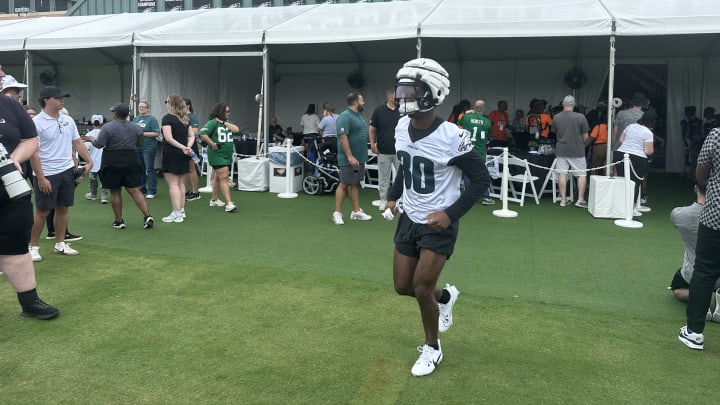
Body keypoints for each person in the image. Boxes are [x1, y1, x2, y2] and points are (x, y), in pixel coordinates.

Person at [387, 58, 491, 377]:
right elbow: (407, 164)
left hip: (438, 221)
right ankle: (445, 297)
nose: (402, 96)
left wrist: (450, 213)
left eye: (410, 90)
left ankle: (432, 347)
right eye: (400, 89)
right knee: (403, 286)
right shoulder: (402, 126)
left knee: (421, 287)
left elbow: (482, 179)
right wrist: (393, 195)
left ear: (432, 94)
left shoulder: (451, 135)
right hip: (410, 216)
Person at [0, 90, 60, 319]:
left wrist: (14, 158)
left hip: (10, 188)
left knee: (15, 243)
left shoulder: (9, 105)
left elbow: (30, 140)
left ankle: (30, 301)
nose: (1, 78)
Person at [28, 86, 93, 261]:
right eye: (57, 98)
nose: (62, 100)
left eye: (62, 97)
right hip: (47, 173)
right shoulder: (36, 122)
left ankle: (60, 243)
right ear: (46, 100)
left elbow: (77, 142)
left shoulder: (68, 120)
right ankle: (32, 246)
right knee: (42, 211)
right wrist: (41, 178)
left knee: (63, 208)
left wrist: (89, 161)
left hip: (66, 171)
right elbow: (34, 153)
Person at [679, 126, 720, 350]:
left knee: (704, 271)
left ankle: (694, 332)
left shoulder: (717, 135)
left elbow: (701, 173)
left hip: (716, 217)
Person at [85, 103, 154, 230]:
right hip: (131, 159)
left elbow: (99, 144)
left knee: (115, 191)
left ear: (116, 114)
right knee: (134, 189)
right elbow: (140, 144)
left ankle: (119, 221)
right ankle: (147, 215)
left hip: (112, 160)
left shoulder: (107, 128)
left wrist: (90, 139)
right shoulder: (136, 127)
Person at [669, 181, 720, 309]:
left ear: (695, 189)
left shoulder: (679, 214)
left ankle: (702, 296)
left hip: (694, 274)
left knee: (677, 288)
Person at [332, 92, 372, 225]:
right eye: (362, 100)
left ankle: (355, 211)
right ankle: (337, 213)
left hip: (359, 157)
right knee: (344, 184)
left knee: (354, 184)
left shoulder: (358, 116)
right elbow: (343, 137)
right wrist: (349, 156)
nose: (364, 102)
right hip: (349, 158)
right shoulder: (344, 117)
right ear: (355, 102)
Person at [198, 103, 240, 213]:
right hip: (217, 155)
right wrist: (212, 143)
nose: (229, 113)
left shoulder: (227, 122)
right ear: (220, 112)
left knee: (217, 177)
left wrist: (225, 123)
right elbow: (202, 133)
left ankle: (214, 199)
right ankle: (229, 203)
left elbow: (236, 130)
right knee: (224, 177)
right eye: (226, 111)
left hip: (226, 155)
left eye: (229, 111)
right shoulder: (212, 122)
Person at [615, 109, 656, 215]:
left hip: (621, 154)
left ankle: (619, 206)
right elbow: (649, 151)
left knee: (622, 181)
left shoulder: (630, 126)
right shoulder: (648, 132)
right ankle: (631, 209)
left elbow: (621, 140)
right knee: (635, 184)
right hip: (638, 158)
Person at [161, 94, 195, 223]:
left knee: (174, 184)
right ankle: (180, 211)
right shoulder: (185, 119)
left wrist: (184, 147)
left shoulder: (167, 118)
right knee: (180, 183)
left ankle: (177, 213)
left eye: (167, 101)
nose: (166, 104)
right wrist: (187, 147)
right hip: (182, 154)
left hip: (172, 154)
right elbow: (191, 136)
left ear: (171, 103)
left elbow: (168, 138)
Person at [552, 95, 590, 207]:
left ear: (563, 104)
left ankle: (563, 199)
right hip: (577, 150)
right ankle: (580, 199)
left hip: (561, 149)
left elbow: (555, 133)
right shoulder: (580, 117)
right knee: (581, 174)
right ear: (574, 105)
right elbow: (586, 137)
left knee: (562, 173)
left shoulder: (556, 117)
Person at [457, 99, 495, 205]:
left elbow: (458, 123)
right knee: (481, 176)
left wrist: (465, 113)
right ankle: (486, 197)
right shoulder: (487, 121)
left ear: (474, 107)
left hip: (467, 150)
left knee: (468, 175)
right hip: (480, 151)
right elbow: (488, 137)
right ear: (483, 109)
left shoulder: (466, 117)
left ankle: (470, 197)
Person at [369, 88, 400, 211]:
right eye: (396, 96)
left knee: (403, 177)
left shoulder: (402, 110)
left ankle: (401, 200)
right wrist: (372, 144)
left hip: (400, 151)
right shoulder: (379, 111)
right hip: (383, 150)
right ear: (390, 97)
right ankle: (383, 200)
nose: (398, 98)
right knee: (383, 178)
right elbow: (372, 129)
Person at [133, 100, 161, 198]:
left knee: (149, 169)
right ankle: (142, 189)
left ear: (147, 109)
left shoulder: (152, 119)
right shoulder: (135, 119)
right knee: (140, 168)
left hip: (148, 147)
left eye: (143, 107)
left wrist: (143, 133)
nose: (141, 108)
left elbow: (157, 133)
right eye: (140, 107)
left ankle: (152, 191)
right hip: (137, 147)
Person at [82, 115, 109, 203]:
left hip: (93, 160)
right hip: (105, 160)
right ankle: (104, 196)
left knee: (93, 178)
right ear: (102, 123)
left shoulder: (89, 134)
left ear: (92, 123)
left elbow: (86, 148)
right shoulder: (106, 133)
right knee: (104, 179)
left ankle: (93, 194)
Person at [184, 98, 202, 202]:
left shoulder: (192, 117)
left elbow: (195, 132)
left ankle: (195, 192)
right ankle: (186, 192)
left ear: (188, 105)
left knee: (191, 169)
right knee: (184, 170)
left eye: (183, 104)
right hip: (182, 146)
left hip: (191, 146)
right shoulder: (180, 117)